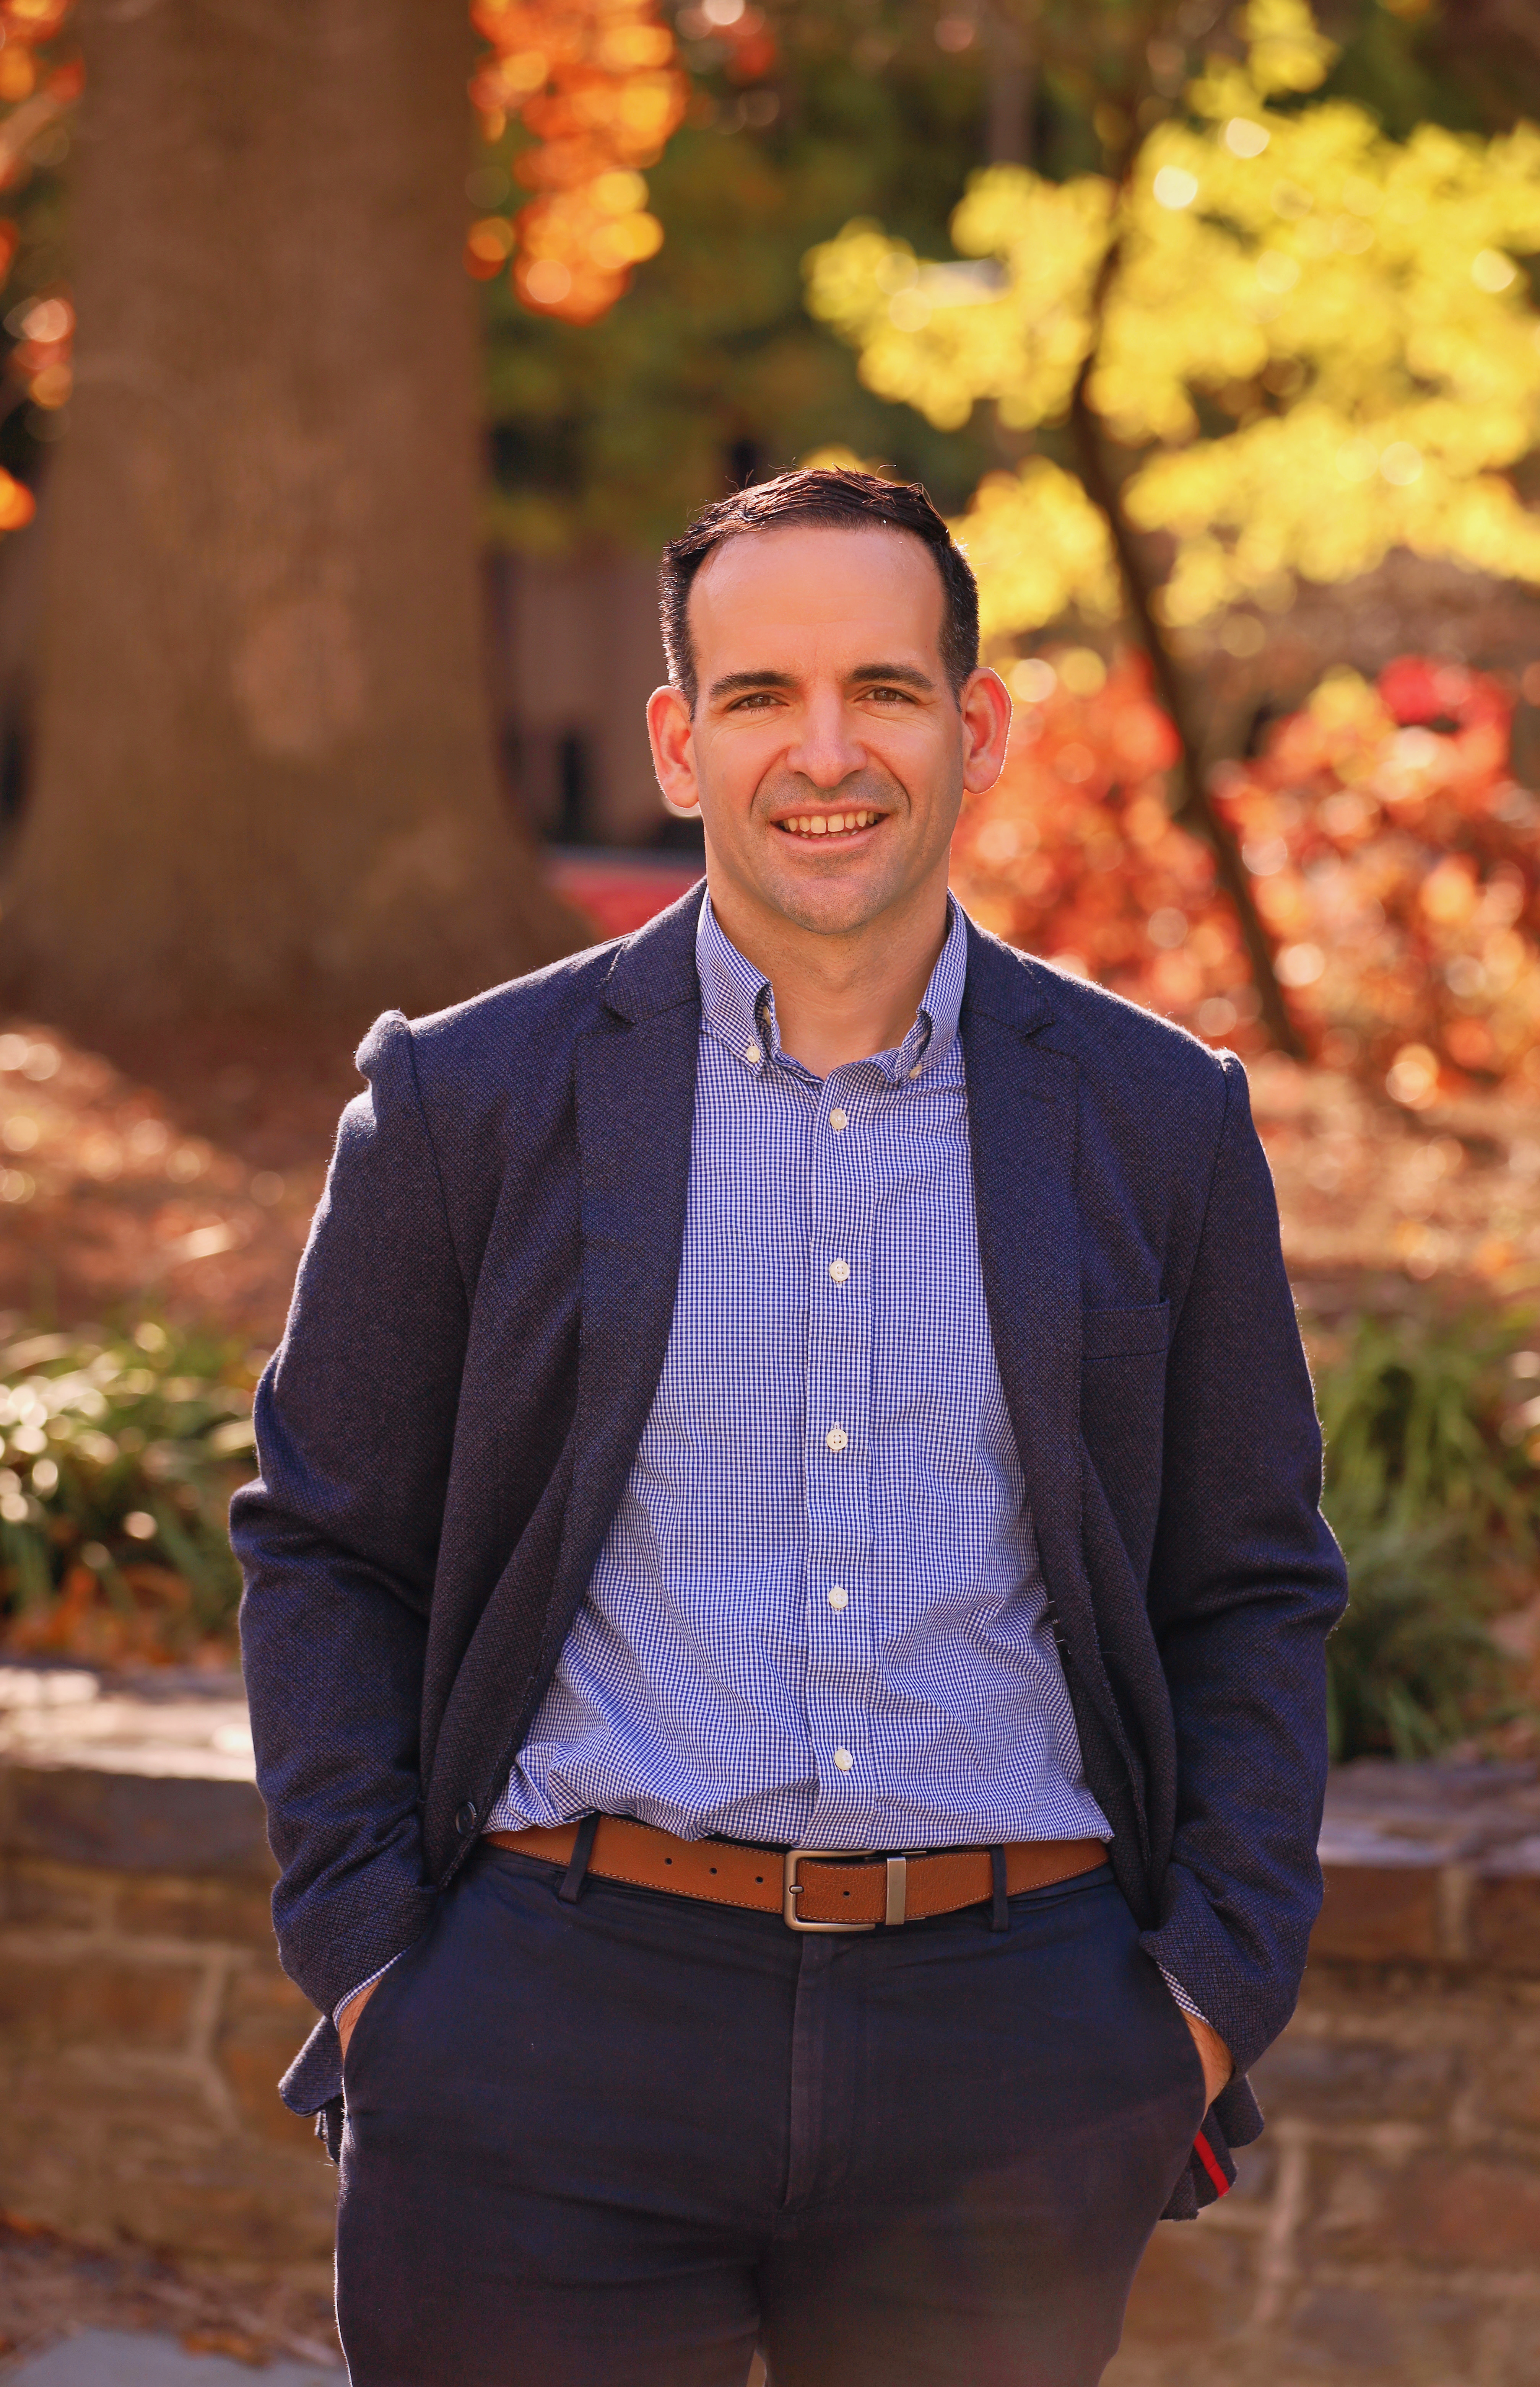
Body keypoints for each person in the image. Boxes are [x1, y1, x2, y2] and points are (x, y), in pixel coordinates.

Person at [234, 467, 1346, 2387]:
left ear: (972, 727)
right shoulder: (464, 1103)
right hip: (545, 2038)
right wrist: (375, 1974)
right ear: (678, 741)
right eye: (757, 697)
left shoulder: (1157, 1119)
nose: (822, 754)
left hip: (1013, 2049)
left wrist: (1193, 2007)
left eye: (883, 692)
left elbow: (1246, 1586)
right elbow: (326, 1546)